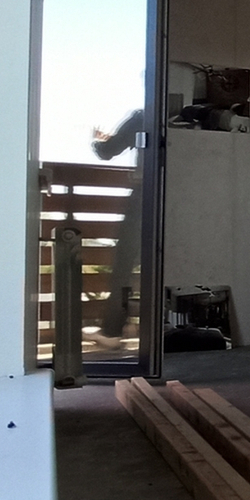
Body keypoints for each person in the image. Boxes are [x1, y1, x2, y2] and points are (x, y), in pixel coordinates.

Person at [87, 110, 144, 350]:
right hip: (180, 199)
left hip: (144, 198)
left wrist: (98, 142)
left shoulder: (143, 117)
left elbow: (107, 151)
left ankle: (112, 330)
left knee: (123, 265)